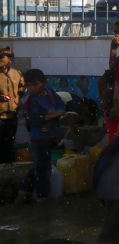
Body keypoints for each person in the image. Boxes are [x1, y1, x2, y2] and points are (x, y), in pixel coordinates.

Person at [20, 69, 66, 202]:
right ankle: (42, 197)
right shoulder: (29, 100)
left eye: (35, 84)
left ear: (44, 83)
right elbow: (36, 119)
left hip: (50, 134)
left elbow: (61, 105)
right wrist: (55, 114)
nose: (31, 88)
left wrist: (52, 115)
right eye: (29, 85)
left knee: (40, 165)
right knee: (42, 169)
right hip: (38, 137)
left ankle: (25, 191)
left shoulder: (50, 91)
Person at [0, 47, 24, 166]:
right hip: (1, 116)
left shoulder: (17, 74)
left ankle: (8, 170)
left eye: (1, 57)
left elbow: (21, 89)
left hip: (12, 116)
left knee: (9, 144)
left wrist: (16, 101)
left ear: (10, 59)